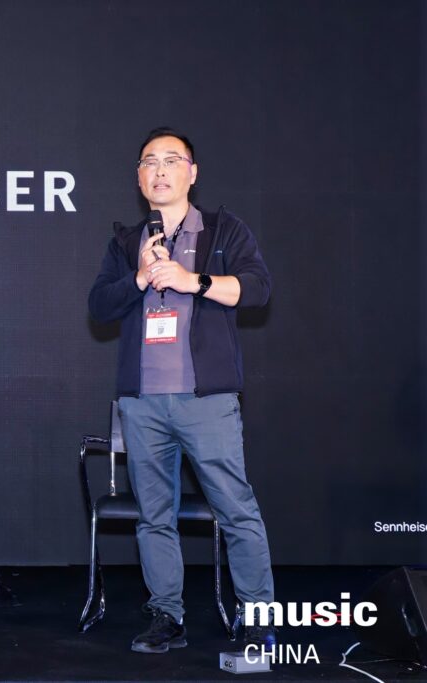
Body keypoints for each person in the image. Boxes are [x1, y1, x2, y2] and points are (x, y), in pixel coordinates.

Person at [88, 128, 275, 653]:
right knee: (154, 517)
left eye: (172, 161)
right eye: (150, 162)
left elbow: (258, 289)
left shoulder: (222, 229)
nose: (161, 170)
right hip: (142, 403)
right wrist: (142, 279)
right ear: (139, 177)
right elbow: (100, 306)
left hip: (206, 401)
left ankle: (258, 619)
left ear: (191, 172)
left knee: (236, 509)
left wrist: (195, 280)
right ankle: (166, 616)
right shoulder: (127, 240)